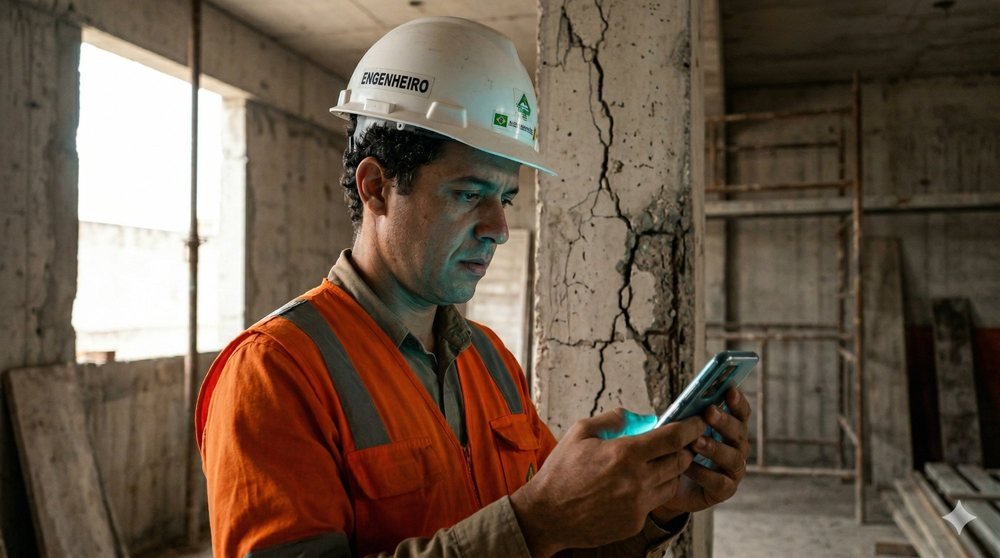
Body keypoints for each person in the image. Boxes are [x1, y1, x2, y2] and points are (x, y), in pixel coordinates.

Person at [195, 16, 752, 558]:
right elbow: (539, 527)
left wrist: (655, 508)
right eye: (469, 195)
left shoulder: (490, 360)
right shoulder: (274, 372)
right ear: (377, 187)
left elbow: (561, 539)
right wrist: (533, 523)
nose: (499, 229)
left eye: (505, 199)